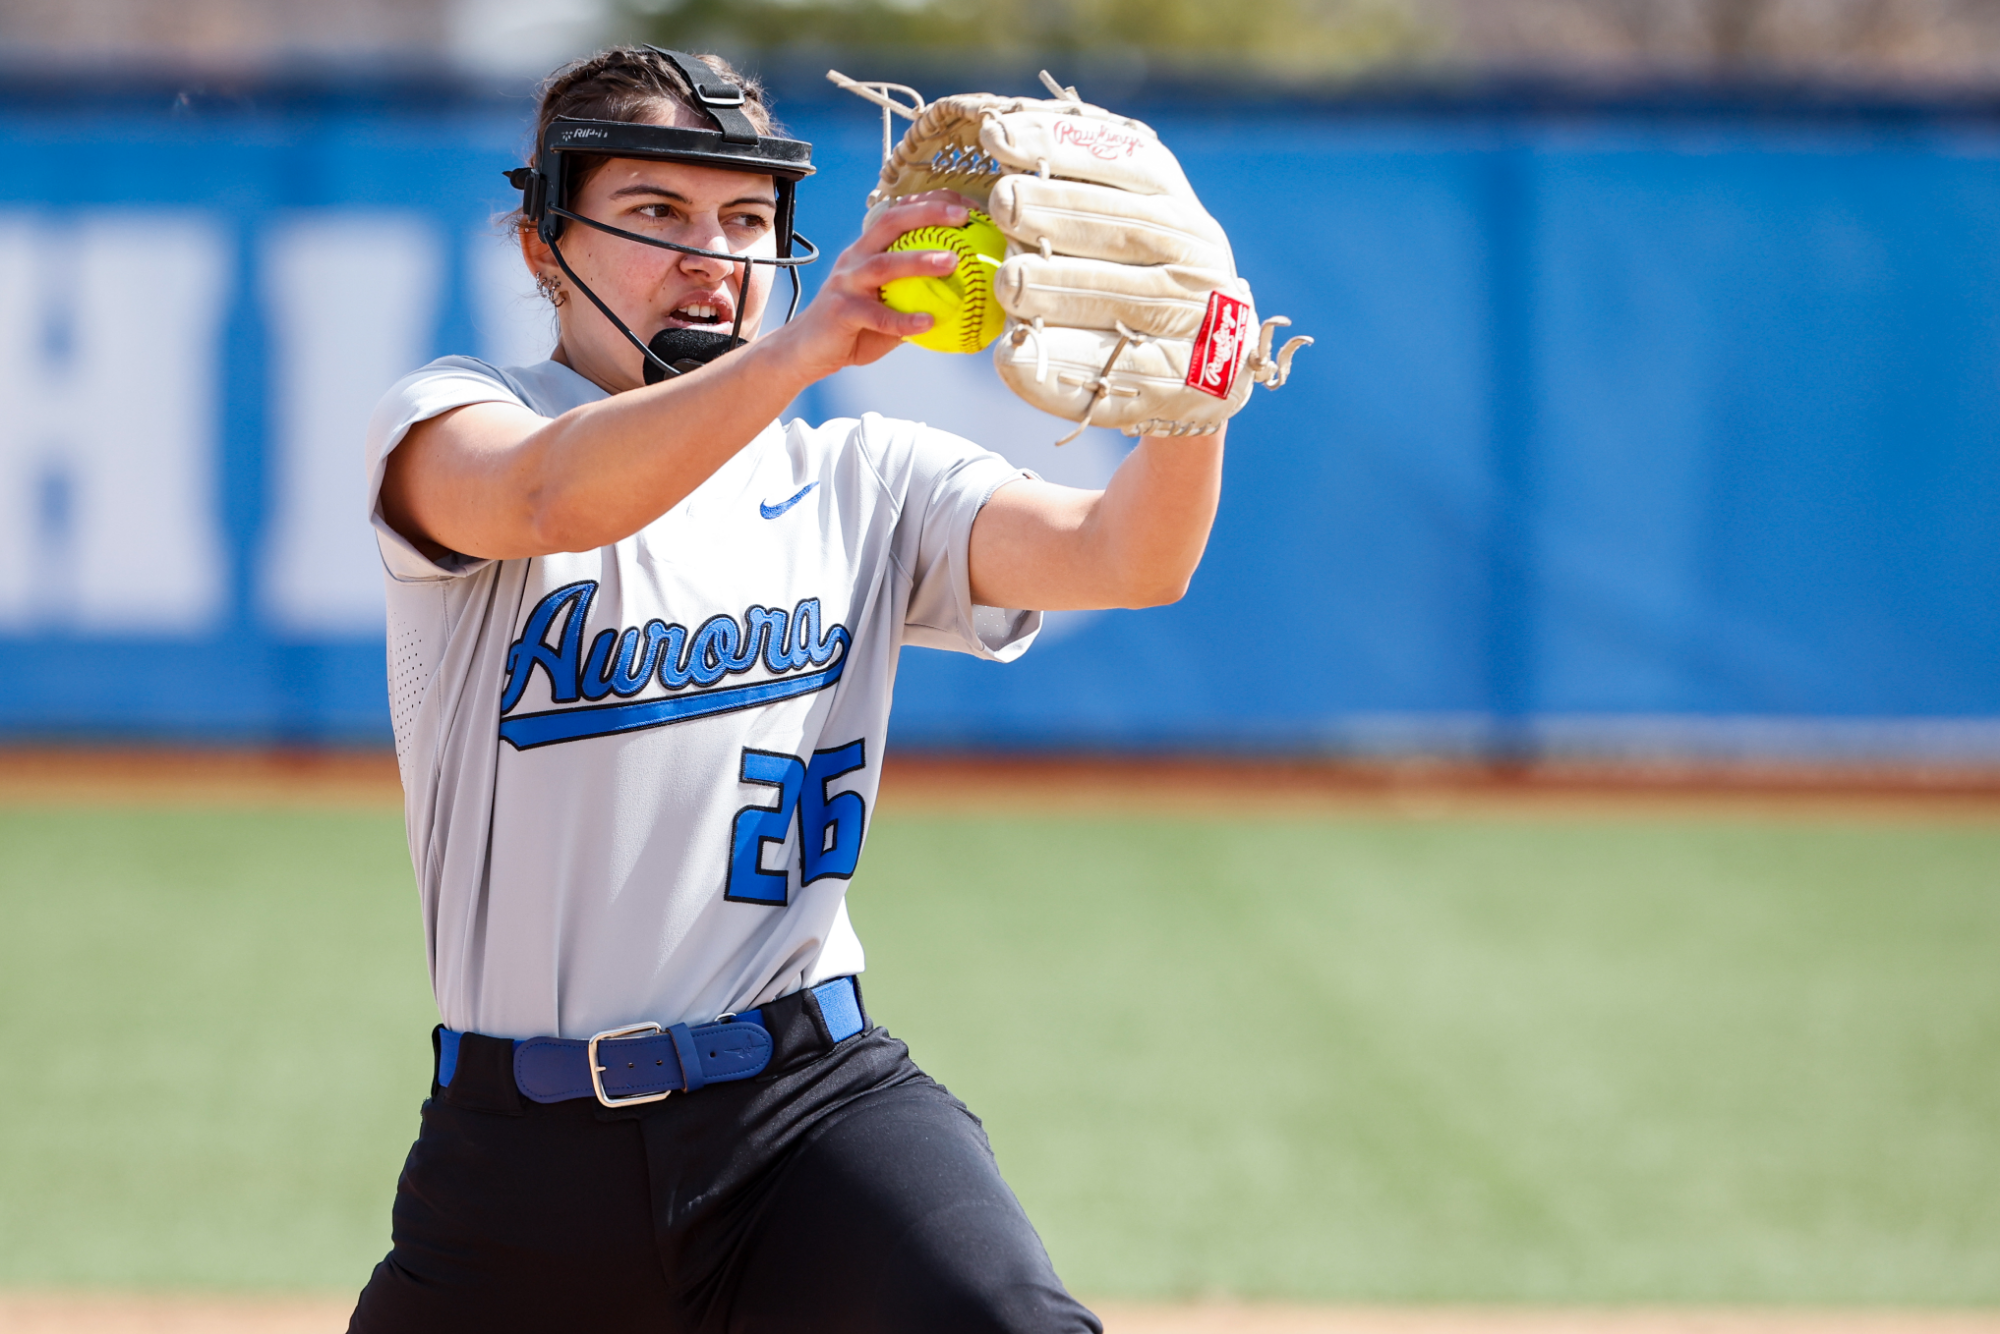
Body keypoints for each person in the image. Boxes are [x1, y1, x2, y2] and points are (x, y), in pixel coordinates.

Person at [350, 45, 1224, 1334]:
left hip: (804, 1114)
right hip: (519, 1162)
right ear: (544, 245)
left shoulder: (862, 481)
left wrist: (1190, 404)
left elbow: (1126, 557)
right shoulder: (457, 418)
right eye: (658, 211)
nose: (713, 254)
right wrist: (806, 350)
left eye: (748, 218)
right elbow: (547, 498)